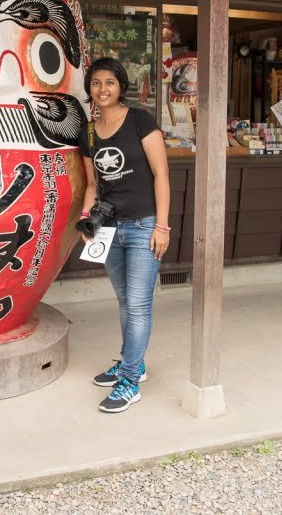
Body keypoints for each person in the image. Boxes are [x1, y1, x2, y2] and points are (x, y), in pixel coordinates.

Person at [77, 57, 171, 413]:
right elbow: (91, 184)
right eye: (96, 83)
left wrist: (162, 226)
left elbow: (161, 175)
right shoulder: (88, 131)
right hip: (110, 228)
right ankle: (134, 363)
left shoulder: (140, 120)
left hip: (145, 225)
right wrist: (88, 220)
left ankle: (130, 380)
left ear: (121, 86)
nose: (102, 89)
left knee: (139, 304)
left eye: (109, 82)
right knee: (124, 301)